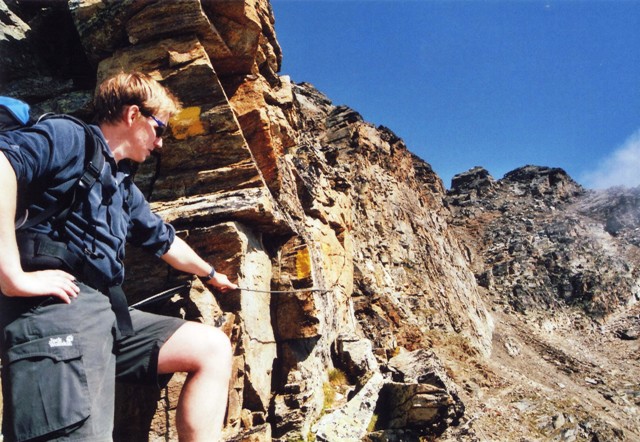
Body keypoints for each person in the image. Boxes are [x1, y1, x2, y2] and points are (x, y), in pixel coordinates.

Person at [0, 72, 236, 441]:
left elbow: (165, 241)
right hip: (58, 310)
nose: (160, 143)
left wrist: (210, 274)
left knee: (212, 348)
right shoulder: (69, 137)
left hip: (110, 317)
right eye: (159, 129)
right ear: (132, 115)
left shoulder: (122, 186)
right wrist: (12, 275)